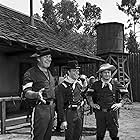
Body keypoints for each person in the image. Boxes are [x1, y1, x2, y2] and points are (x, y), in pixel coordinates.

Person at [86, 63, 129, 140]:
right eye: (105, 72)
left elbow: (125, 94)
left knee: (114, 134)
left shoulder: (115, 83)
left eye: (108, 72)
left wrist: (120, 104)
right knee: (100, 134)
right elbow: (88, 94)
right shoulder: (96, 84)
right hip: (100, 113)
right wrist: (92, 104)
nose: (107, 74)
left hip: (112, 113)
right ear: (101, 74)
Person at [22, 48, 55, 140]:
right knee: (38, 137)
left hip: (51, 109)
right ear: (38, 58)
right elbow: (26, 92)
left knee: (47, 137)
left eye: (50, 57)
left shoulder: (49, 73)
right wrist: (36, 94)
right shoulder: (30, 73)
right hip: (39, 109)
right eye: (46, 57)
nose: (49, 59)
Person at [55, 60, 87, 140]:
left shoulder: (79, 84)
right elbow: (60, 105)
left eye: (77, 71)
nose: (77, 73)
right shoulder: (61, 87)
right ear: (68, 72)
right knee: (69, 137)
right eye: (74, 71)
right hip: (69, 113)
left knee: (78, 136)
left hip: (79, 113)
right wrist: (63, 120)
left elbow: (80, 95)